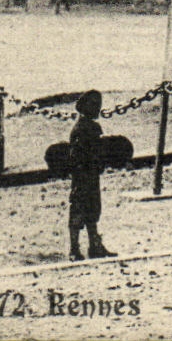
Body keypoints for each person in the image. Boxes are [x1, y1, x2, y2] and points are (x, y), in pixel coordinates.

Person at [67, 90, 115, 260]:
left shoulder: (89, 127)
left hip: (90, 175)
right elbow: (77, 156)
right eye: (94, 105)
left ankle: (94, 245)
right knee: (79, 211)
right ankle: (75, 249)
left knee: (92, 210)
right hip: (83, 176)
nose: (97, 108)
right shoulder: (81, 129)